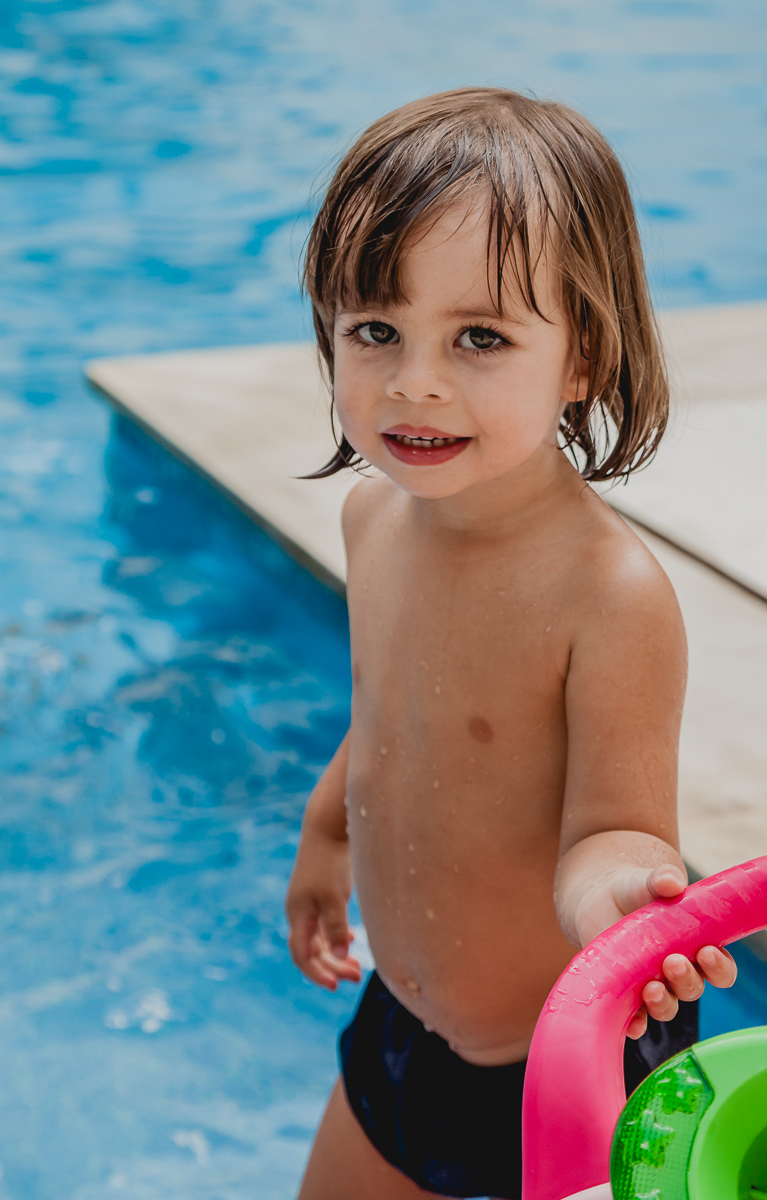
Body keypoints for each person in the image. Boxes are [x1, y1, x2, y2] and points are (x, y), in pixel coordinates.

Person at [284, 88, 737, 1200]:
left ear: (581, 355)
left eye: (478, 336)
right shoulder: (373, 521)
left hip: (559, 1069)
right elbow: (387, 711)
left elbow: (613, 828)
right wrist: (325, 835)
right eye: (374, 329)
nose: (414, 379)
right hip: (400, 1018)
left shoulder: (606, 593)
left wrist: (620, 901)